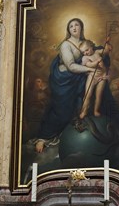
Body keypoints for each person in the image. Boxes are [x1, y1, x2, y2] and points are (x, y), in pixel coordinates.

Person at [34, 18, 95, 153]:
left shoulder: (85, 44)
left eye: (77, 25)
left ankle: (78, 134)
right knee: (61, 111)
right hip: (64, 81)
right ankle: (43, 138)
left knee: (82, 102)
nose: (74, 28)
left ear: (81, 28)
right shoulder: (65, 45)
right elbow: (72, 66)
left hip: (78, 79)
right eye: (71, 26)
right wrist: (89, 69)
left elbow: (94, 55)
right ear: (68, 30)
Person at [79, 40, 110, 119]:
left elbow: (106, 51)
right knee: (88, 94)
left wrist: (107, 43)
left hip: (102, 76)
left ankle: (96, 111)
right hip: (92, 76)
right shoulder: (85, 58)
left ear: (91, 47)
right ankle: (84, 111)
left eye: (87, 50)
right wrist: (96, 62)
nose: (85, 53)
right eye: (83, 52)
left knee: (98, 95)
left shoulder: (97, 52)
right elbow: (90, 65)